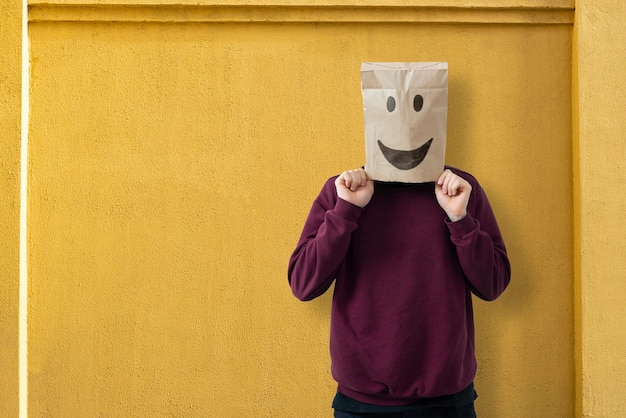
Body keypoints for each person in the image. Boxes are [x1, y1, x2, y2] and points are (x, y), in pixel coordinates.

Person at [288, 166, 511, 417]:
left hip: (447, 400)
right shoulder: (342, 189)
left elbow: (493, 283)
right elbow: (303, 283)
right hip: (362, 403)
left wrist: (460, 219)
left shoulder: (461, 187)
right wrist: (346, 210)